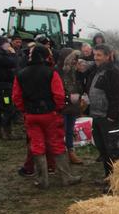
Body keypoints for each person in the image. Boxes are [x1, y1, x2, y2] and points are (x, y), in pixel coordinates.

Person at [12, 44, 80, 188]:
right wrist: (57, 109)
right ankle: (66, 177)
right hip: (50, 114)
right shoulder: (51, 73)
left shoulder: (21, 74)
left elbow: (16, 97)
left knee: (37, 146)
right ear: (46, 56)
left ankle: (42, 180)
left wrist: (25, 110)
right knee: (56, 144)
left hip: (31, 115)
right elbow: (59, 95)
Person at [85, 44, 119, 184]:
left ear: (108, 56)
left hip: (109, 118)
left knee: (113, 150)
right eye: (94, 55)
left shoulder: (113, 72)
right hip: (96, 116)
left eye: (99, 55)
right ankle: (108, 177)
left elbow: (117, 96)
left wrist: (111, 116)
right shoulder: (96, 71)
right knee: (103, 150)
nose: (96, 58)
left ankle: (118, 180)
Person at [57, 49, 84, 165]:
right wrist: (67, 97)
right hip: (62, 105)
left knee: (69, 130)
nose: (74, 61)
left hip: (73, 105)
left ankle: (70, 151)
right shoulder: (58, 71)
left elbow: (79, 86)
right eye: (72, 59)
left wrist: (80, 94)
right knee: (61, 130)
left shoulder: (75, 71)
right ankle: (60, 154)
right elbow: (57, 89)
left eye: (75, 59)